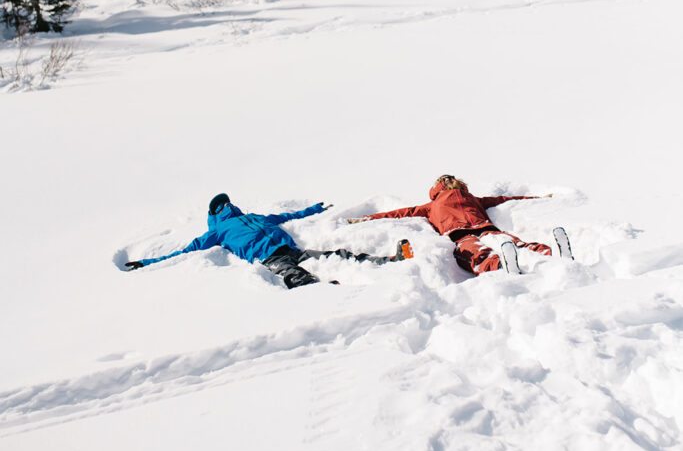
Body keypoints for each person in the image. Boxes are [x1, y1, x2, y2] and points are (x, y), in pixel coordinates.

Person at [126, 192, 412, 289]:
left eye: (226, 202)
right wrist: (149, 262)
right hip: (269, 258)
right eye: (220, 205)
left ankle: (389, 260)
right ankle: (322, 295)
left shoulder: (254, 216)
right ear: (214, 214)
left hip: (289, 247)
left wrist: (315, 209)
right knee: (293, 275)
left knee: (335, 253)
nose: (225, 206)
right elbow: (185, 251)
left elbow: (286, 215)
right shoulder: (216, 232)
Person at [349, 175, 561, 275]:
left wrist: (537, 198)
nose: (448, 181)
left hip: (486, 228)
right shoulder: (431, 206)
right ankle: (498, 266)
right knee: (475, 252)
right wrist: (365, 219)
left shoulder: (474, 198)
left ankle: (549, 254)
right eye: (443, 180)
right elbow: (400, 213)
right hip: (458, 234)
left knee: (511, 242)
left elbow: (503, 199)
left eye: (450, 179)